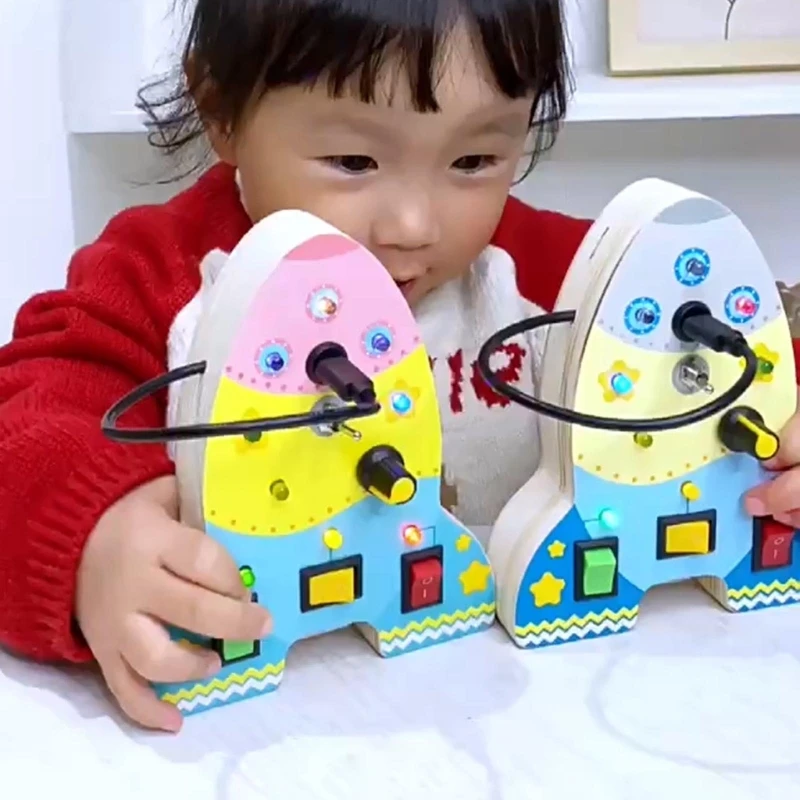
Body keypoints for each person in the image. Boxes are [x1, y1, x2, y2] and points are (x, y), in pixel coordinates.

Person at [0, 0, 796, 735]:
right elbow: (24, 426)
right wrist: (91, 541)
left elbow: (751, 358)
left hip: (543, 718)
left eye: (476, 159)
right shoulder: (158, 280)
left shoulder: (568, 279)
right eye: (352, 159)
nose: (415, 225)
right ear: (221, 110)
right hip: (265, 728)